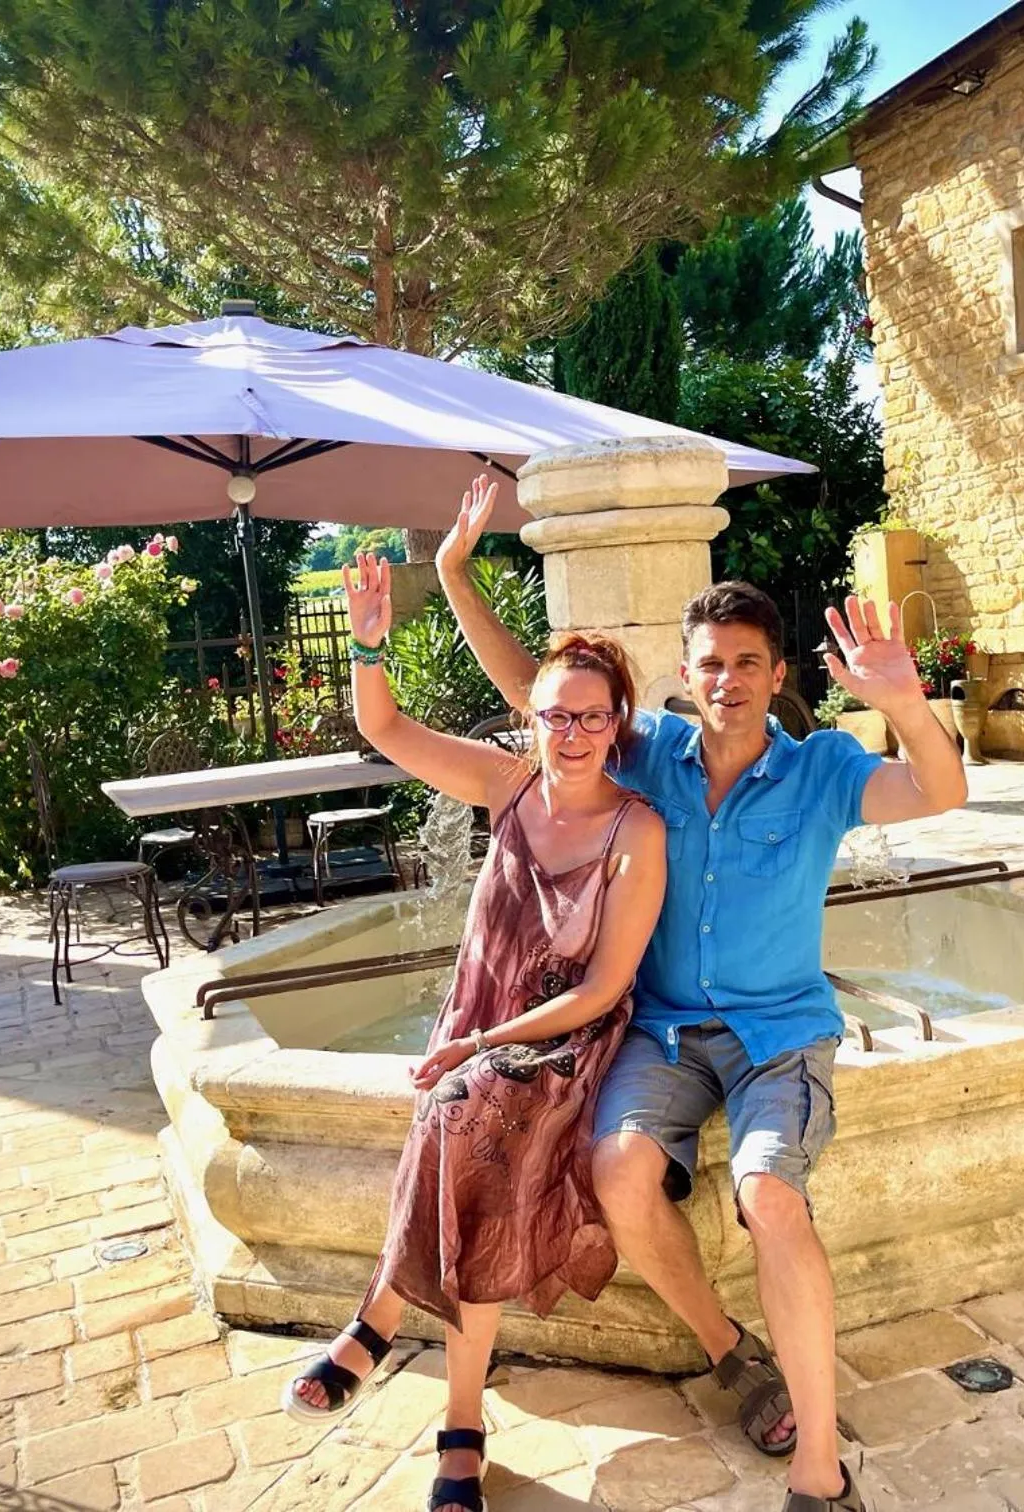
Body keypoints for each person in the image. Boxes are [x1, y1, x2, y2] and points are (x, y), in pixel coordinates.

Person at [433, 475, 969, 1512]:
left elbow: (940, 792)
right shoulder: (654, 754)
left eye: (747, 665)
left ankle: (820, 1470)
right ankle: (731, 1355)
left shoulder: (823, 770)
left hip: (777, 1036)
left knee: (770, 1195)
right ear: (686, 672)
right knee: (618, 1168)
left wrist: (902, 703)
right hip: (666, 1035)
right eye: (711, 664)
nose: (727, 680)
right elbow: (535, 697)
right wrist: (456, 576)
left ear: (776, 676)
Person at [279, 549, 668, 1512]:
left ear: (616, 722)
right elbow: (383, 725)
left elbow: (606, 986)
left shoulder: (639, 831)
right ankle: (457, 1421)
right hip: (478, 1041)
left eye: (589, 715)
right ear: (529, 720)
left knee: (464, 1115)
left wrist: (483, 1048)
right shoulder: (506, 788)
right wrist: (370, 639)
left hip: (566, 1046)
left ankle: (383, 1334)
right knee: (462, 1124)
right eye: (552, 715)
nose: (570, 733)